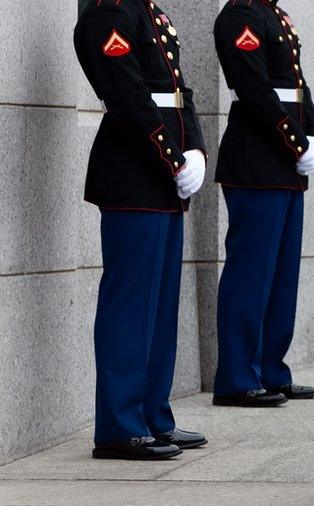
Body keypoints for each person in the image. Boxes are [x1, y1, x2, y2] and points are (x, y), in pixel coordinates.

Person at [74, 0, 208, 459]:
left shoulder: (148, 11)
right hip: (136, 172)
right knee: (130, 307)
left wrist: (197, 150)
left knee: (160, 306)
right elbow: (128, 97)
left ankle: (153, 415)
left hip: (163, 177)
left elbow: (178, 91)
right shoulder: (109, 12)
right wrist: (173, 158)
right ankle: (119, 426)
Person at [211, 0, 314, 407]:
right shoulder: (239, 15)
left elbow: (297, 85)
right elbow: (255, 90)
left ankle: (271, 368)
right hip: (258, 158)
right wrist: (297, 141)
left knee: (281, 276)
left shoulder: (275, 14)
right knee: (251, 274)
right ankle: (237, 377)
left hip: (285, 162)